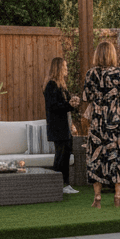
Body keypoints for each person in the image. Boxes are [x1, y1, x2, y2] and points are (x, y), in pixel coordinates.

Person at [82, 41, 120, 208]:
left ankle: (97, 197)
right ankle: (117, 196)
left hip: (98, 121)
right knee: (119, 157)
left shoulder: (91, 73)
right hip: (116, 120)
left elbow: (86, 96)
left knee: (96, 157)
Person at [43, 56, 81, 194]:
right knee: (60, 157)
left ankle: (65, 184)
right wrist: (68, 104)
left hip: (65, 127)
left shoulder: (62, 86)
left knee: (65, 156)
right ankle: (57, 185)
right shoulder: (51, 85)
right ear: (58, 68)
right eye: (64, 66)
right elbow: (53, 107)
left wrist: (73, 103)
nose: (67, 69)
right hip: (57, 127)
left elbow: (66, 105)